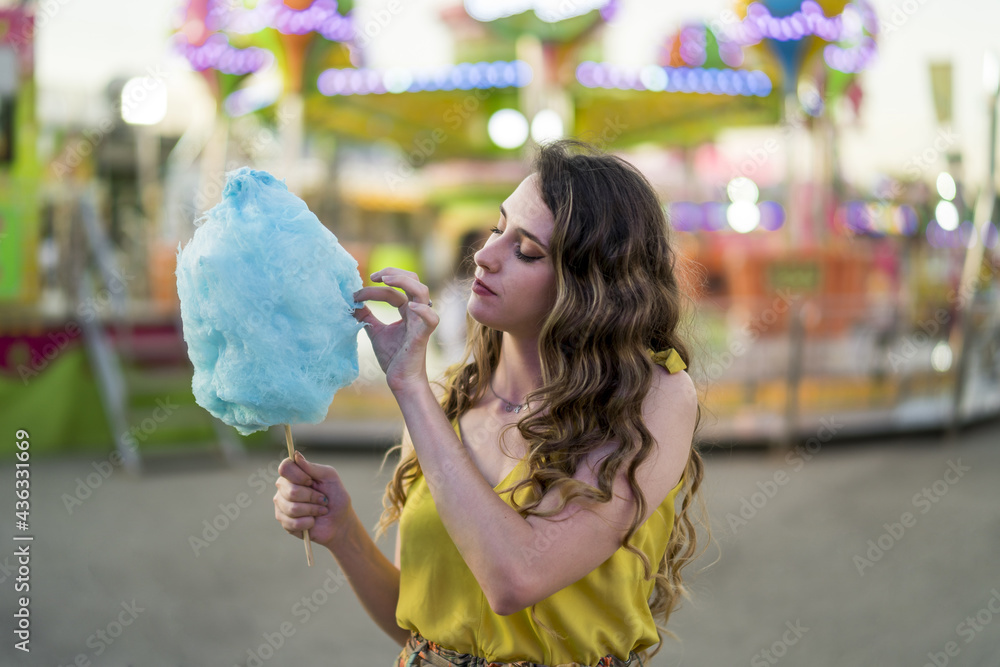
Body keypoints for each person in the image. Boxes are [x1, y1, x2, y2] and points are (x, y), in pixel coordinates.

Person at [273, 139, 706, 667]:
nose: (483, 255)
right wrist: (343, 533)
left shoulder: (651, 397)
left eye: (526, 251)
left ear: (591, 288)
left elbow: (515, 577)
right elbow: (423, 631)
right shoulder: (445, 405)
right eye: (498, 228)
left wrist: (408, 385)